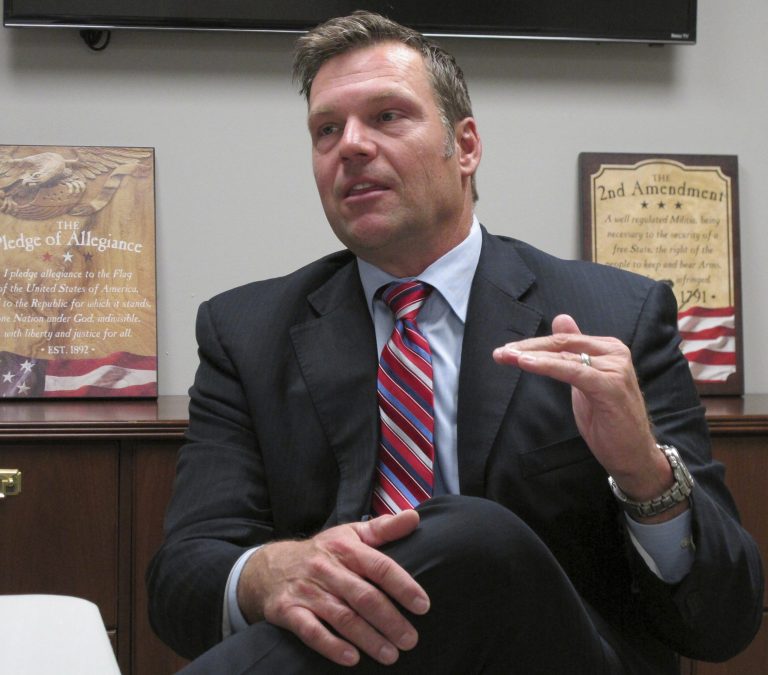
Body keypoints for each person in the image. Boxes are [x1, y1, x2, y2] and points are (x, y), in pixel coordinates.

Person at [147, 11, 763, 674]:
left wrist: (644, 472)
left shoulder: (613, 316)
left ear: (465, 146)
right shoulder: (246, 332)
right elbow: (182, 579)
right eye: (327, 129)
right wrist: (269, 572)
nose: (350, 145)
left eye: (387, 116)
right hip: (339, 660)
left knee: (476, 533)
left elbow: (724, 619)